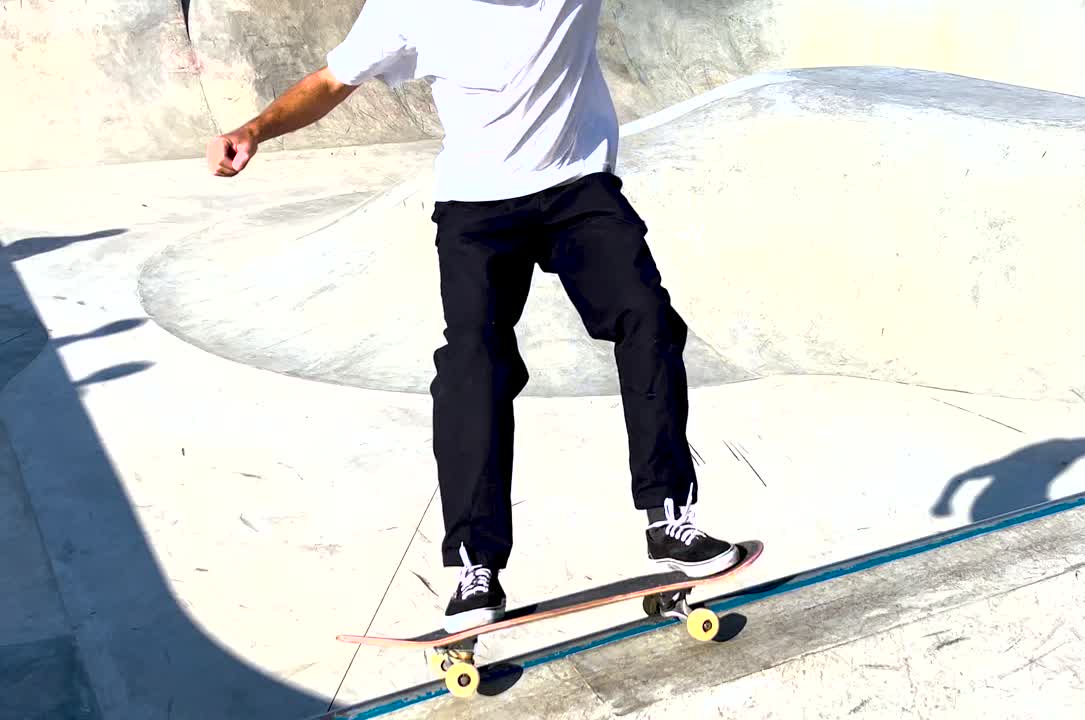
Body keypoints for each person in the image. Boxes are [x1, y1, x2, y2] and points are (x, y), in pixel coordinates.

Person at [205, 0, 739, 633]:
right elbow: (329, 82)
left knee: (646, 317)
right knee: (472, 366)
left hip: (577, 189)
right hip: (477, 209)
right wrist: (256, 129)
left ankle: (668, 514)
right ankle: (473, 565)